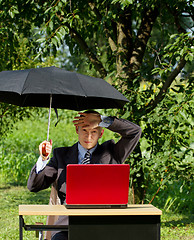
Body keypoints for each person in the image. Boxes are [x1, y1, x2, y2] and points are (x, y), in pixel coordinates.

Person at [27, 111, 142, 240]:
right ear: (77, 129)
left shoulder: (112, 153)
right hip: (68, 226)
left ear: (101, 133)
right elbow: (34, 186)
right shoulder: (61, 156)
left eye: (93, 132)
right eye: (85, 131)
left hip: (103, 224)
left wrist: (102, 120)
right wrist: (43, 159)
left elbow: (135, 132)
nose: (88, 137)